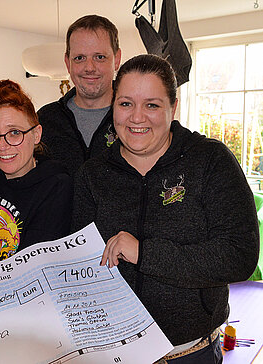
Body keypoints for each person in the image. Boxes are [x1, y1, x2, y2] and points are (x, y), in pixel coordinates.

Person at [72, 54, 259, 363]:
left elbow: (239, 256)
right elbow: (78, 261)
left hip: (190, 353)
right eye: (126, 103)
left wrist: (145, 253)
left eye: (152, 105)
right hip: (110, 351)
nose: (136, 117)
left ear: (174, 108)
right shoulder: (93, 174)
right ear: (113, 107)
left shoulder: (210, 162)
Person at [0, 80, 73, 268]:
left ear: (36, 134)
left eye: (14, 133)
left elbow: (35, 265)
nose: (3, 146)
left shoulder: (56, 186)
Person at [38, 15, 121, 176]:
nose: (89, 67)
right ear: (67, 62)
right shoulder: (44, 120)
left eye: (100, 57)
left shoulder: (135, 118)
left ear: (116, 60)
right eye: (80, 58)